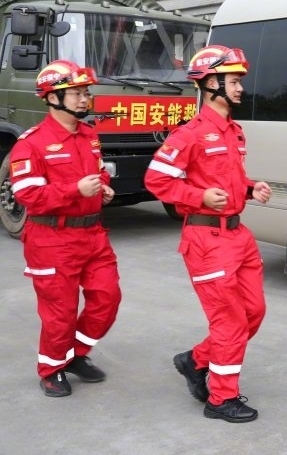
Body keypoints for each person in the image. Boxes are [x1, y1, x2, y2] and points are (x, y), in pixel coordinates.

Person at [144, 45, 272, 423]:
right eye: (232, 81)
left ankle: (195, 360)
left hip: (238, 236)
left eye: (238, 82)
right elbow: (156, 179)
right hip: (206, 240)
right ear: (211, 83)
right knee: (229, 321)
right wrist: (197, 196)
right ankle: (221, 398)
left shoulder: (234, 131)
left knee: (254, 312)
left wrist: (249, 188)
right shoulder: (190, 134)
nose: (239, 88)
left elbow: (229, 179)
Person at [13, 59, 119, 397]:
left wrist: (102, 186)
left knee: (107, 299)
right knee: (59, 312)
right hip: (51, 239)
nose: (84, 98)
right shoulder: (31, 144)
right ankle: (51, 367)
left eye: (85, 92)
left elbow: (98, 172)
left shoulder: (89, 136)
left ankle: (74, 353)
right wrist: (75, 190)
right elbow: (27, 194)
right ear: (51, 98)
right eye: (75, 93)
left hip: (92, 235)